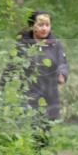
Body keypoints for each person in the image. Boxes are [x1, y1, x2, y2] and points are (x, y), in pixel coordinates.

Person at [17, 10, 69, 138]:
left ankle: (42, 142)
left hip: (50, 88)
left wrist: (62, 74)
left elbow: (62, 62)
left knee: (50, 119)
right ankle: (28, 142)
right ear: (32, 26)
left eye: (47, 25)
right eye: (41, 25)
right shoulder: (23, 43)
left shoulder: (55, 44)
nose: (44, 28)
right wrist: (3, 85)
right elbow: (12, 64)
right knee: (30, 119)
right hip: (29, 88)